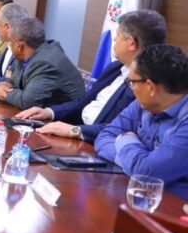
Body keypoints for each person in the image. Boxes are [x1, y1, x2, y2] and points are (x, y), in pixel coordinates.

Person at [17, 10, 167, 143]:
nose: (114, 40)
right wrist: (49, 112)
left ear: (131, 43)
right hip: (74, 131)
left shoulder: (146, 85)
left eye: (118, 36)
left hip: (95, 144)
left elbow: (124, 129)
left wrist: (75, 131)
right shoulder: (115, 68)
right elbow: (84, 101)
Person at [96, 45, 188, 200]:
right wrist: (136, 164)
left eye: (132, 82)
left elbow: (147, 174)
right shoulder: (142, 104)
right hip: (137, 194)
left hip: (172, 208)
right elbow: (104, 136)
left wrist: (125, 139)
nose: (131, 88)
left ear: (150, 87)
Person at [0, 16, 85, 109]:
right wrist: (7, 84)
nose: (9, 45)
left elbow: (28, 102)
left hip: (63, 116)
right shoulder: (24, 55)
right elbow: (14, 79)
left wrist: (4, 94)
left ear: (19, 46)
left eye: (11, 42)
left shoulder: (46, 63)